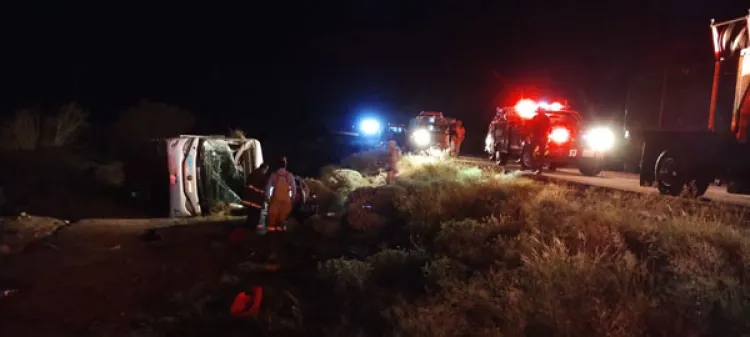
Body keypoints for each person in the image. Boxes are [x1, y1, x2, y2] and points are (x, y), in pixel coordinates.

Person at [265, 157, 296, 231]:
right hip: (286, 202)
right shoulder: (290, 175)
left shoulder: (273, 175)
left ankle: (271, 235)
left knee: (272, 219)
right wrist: (292, 198)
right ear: (285, 165)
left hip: (275, 201)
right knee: (282, 220)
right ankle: (280, 235)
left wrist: (268, 197)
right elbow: (294, 188)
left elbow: (268, 187)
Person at [243, 163, 269, 230]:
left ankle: (248, 226)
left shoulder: (252, 174)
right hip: (257, 199)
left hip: (249, 198)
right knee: (256, 214)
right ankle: (253, 227)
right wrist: (266, 197)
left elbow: (247, 184)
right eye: (266, 170)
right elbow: (265, 188)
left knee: (251, 213)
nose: (266, 171)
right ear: (264, 169)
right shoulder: (263, 176)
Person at [529, 110, 551, 174]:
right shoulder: (546, 118)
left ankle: (534, 167)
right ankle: (539, 169)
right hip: (543, 137)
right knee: (541, 154)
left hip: (536, 137)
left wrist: (530, 135)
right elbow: (548, 127)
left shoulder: (535, 117)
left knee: (532, 152)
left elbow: (531, 127)